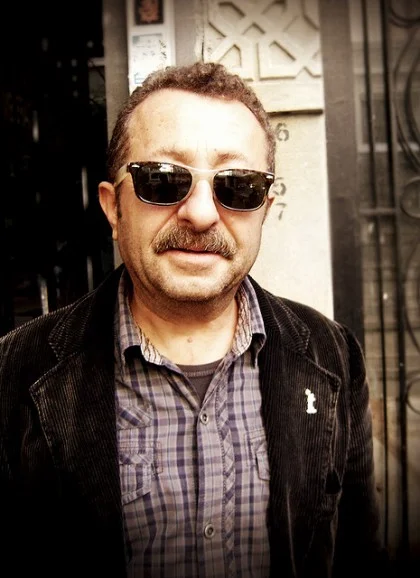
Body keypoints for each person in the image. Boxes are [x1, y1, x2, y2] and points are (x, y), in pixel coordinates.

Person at [0, 61, 382, 578]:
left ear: (264, 209)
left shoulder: (333, 355)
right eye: (162, 180)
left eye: (238, 186)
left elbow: (358, 553)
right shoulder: (13, 373)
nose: (201, 214)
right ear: (113, 208)